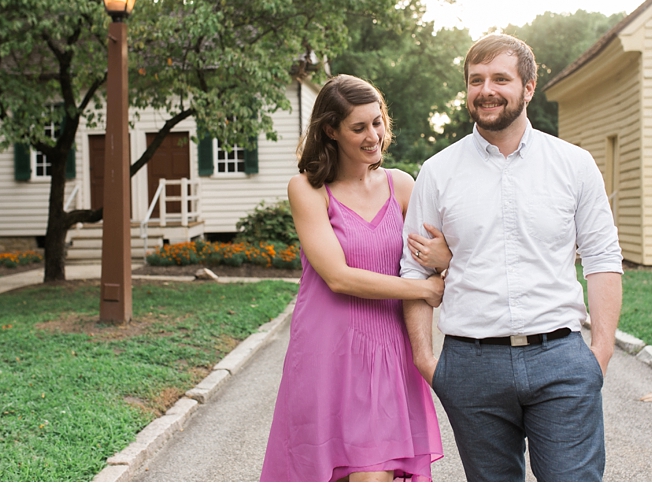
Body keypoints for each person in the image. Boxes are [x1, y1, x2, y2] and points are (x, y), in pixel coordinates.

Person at [401, 34, 624, 482]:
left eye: (500, 78)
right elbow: (415, 270)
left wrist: (598, 353)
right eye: (476, 80)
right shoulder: (438, 172)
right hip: (470, 365)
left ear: (528, 86)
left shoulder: (574, 165)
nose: (486, 90)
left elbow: (601, 258)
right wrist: (428, 361)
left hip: (560, 359)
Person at [261, 74, 450, 482]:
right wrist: (423, 289)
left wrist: (442, 261)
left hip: (388, 349)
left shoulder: (402, 185)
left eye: (377, 122)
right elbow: (338, 277)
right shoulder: (307, 190)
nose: (373, 136)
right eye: (359, 127)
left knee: (374, 475)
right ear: (331, 130)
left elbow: (430, 257)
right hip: (327, 353)